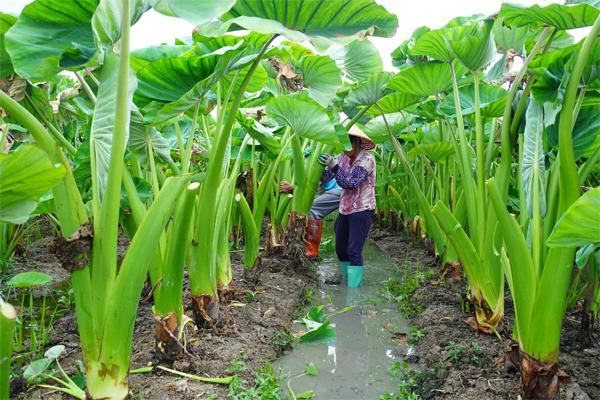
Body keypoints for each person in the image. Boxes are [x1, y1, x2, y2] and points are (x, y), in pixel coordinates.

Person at [318, 126, 376, 288]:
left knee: (353, 249)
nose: (346, 145)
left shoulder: (367, 159)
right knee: (340, 248)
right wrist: (321, 164)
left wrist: (334, 166)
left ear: (357, 141)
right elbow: (327, 178)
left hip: (363, 209)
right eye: (344, 141)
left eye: (349, 141)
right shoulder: (342, 157)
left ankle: (354, 290)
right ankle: (343, 279)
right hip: (345, 208)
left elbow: (351, 183)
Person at [279, 177, 342, 258]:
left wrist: (294, 188)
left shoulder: (325, 164)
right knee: (341, 229)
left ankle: (311, 253)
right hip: (335, 189)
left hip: (341, 188)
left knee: (313, 209)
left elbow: (314, 181)